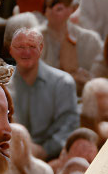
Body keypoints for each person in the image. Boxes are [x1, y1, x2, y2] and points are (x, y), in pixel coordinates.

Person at [7, 23, 79, 160]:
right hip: (10, 155)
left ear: (41, 49)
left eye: (32, 47)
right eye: (20, 47)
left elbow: (68, 125)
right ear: (11, 51)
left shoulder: (63, 82)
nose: (26, 52)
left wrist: (44, 151)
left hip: (53, 157)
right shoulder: (1, 84)